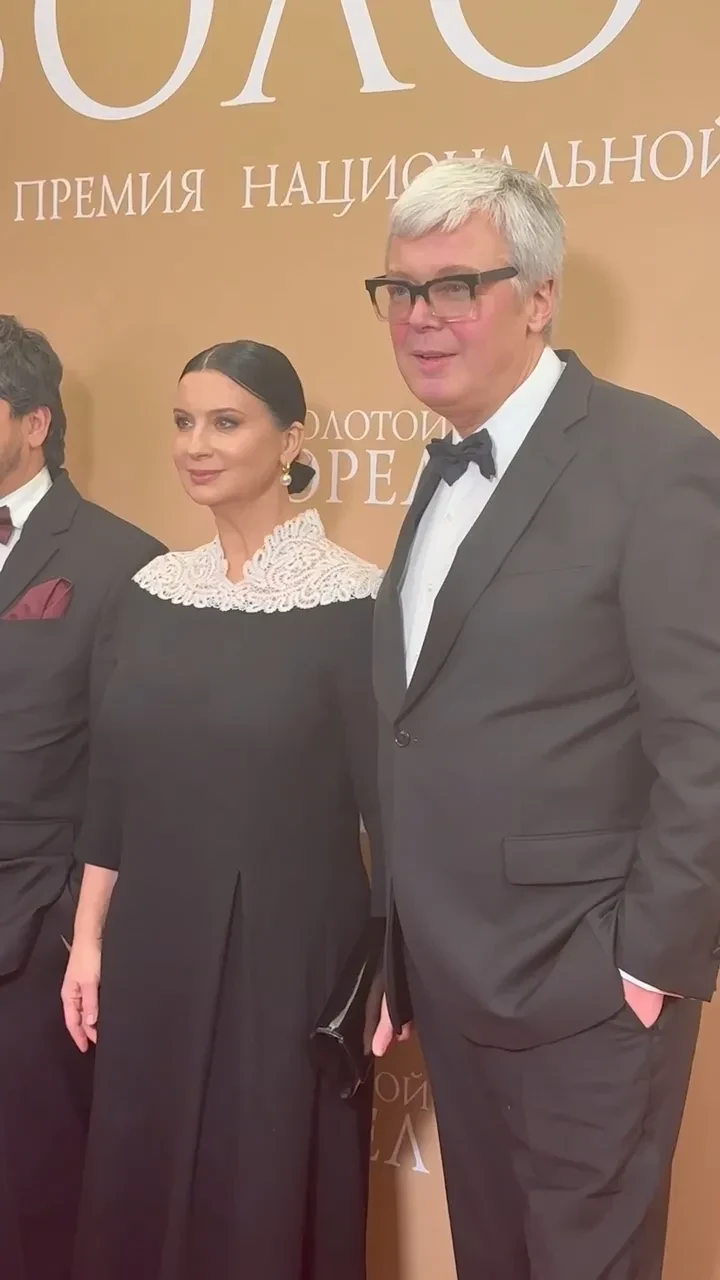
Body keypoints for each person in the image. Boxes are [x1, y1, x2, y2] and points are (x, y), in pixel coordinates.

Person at [369, 157, 720, 1280]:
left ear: (540, 296)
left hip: (587, 987)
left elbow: (705, 734)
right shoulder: (440, 469)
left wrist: (648, 962)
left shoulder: (655, 459)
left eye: (456, 286)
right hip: (452, 976)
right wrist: (398, 939)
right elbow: (420, 725)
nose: (421, 317)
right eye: (401, 290)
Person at [62, 339, 383, 1280]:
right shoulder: (150, 593)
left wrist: (389, 969)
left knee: (261, 1193)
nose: (196, 445)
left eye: (225, 422)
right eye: (183, 422)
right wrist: (88, 940)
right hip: (151, 944)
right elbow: (113, 787)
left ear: (292, 440)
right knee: (139, 1177)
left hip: (291, 956)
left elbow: (392, 812)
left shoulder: (360, 603)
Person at [0, 315, 164, 1280]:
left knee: (36, 1204)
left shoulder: (121, 563)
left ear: (35, 423)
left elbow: (134, 768)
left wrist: (77, 922)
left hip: (37, 937)